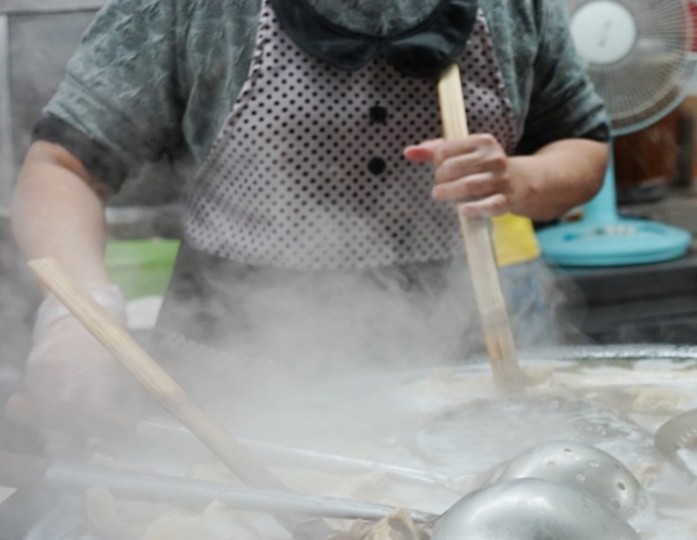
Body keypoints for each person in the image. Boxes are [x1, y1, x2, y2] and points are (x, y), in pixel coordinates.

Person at [14, 0, 610, 418]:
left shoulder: (512, 7)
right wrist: (80, 317)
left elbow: (583, 143)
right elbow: (63, 167)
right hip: (235, 383)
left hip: (454, 376)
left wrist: (520, 178)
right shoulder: (199, 10)